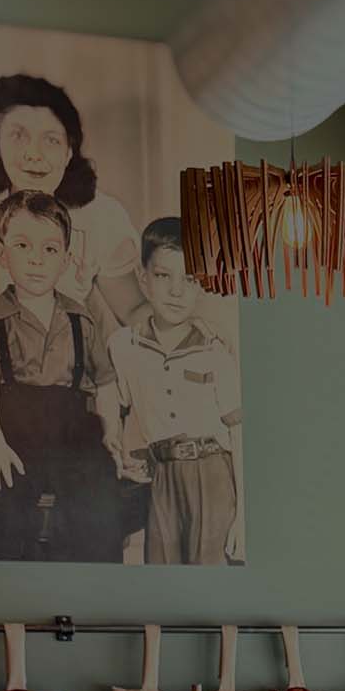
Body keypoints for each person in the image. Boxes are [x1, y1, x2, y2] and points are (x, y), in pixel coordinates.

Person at [0, 190, 126, 562]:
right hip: (13, 433)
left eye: (50, 249)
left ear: (66, 260)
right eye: (22, 245)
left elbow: (105, 384)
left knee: (98, 500)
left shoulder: (80, 318)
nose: (36, 259)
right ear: (2, 255)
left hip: (73, 431)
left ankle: (91, 592)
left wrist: (113, 437)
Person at [0, 73, 146, 327]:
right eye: (18, 136)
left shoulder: (100, 217)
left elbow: (133, 310)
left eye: (51, 140)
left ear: (69, 151)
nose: (34, 154)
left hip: (61, 355)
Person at [105, 217, 244, 565]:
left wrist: (244, 513)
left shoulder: (215, 348)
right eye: (164, 276)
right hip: (162, 477)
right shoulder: (123, 346)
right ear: (143, 278)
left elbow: (238, 431)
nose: (177, 291)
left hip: (212, 474)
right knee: (163, 582)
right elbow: (111, 406)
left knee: (210, 587)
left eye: (190, 279)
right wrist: (119, 450)